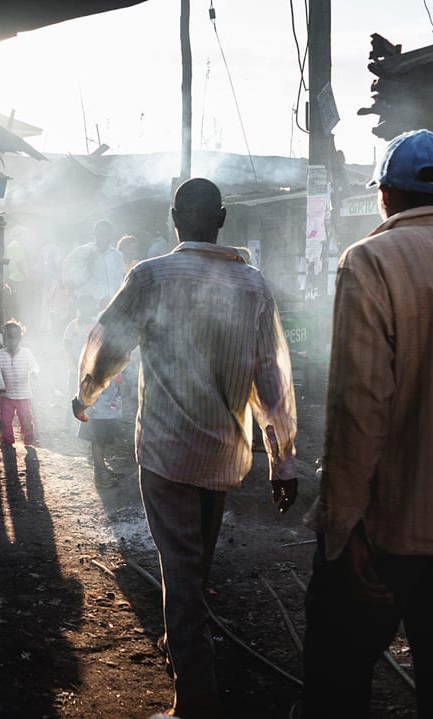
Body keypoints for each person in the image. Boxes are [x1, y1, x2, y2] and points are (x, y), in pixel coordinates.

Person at [298, 129, 433, 719]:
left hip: (396, 538)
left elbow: (358, 408)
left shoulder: (370, 261)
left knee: (334, 683)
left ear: (385, 197)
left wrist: (343, 529)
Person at [72, 177, 299, 719]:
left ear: (174, 219)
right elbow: (273, 380)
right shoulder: (254, 286)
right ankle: (185, 651)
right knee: (194, 567)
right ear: (221, 218)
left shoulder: (151, 276)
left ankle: (196, 700)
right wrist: (283, 460)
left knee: (180, 571)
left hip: (167, 453)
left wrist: (86, 394)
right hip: (224, 456)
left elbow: (108, 342)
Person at [0, 319, 40, 457]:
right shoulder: (0, 354)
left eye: (13, 337)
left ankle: (28, 435)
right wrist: (0, 386)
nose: (10, 341)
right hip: (6, 395)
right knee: (5, 418)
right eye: (7, 338)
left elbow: (34, 366)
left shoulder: (26, 353)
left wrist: (34, 373)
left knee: (25, 417)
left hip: (23, 395)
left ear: (20, 338)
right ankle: (7, 440)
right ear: (3, 338)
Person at [62, 218, 127, 309]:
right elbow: (71, 280)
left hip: (111, 308)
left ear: (110, 235)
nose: (102, 236)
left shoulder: (117, 256)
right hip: (88, 309)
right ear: (94, 233)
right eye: (99, 232)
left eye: (106, 233)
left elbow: (118, 282)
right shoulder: (82, 252)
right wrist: (87, 267)